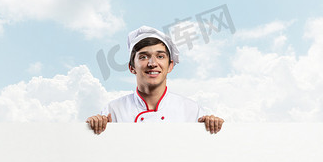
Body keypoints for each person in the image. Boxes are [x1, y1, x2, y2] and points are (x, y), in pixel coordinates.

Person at [86, 25, 224, 134]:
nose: (152, 63)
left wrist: (213, 125)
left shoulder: (192, 110)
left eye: (160, 56)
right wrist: (94, 125)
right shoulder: (113, 110)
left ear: (170, 66)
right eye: (143, 57)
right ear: (132, 67)